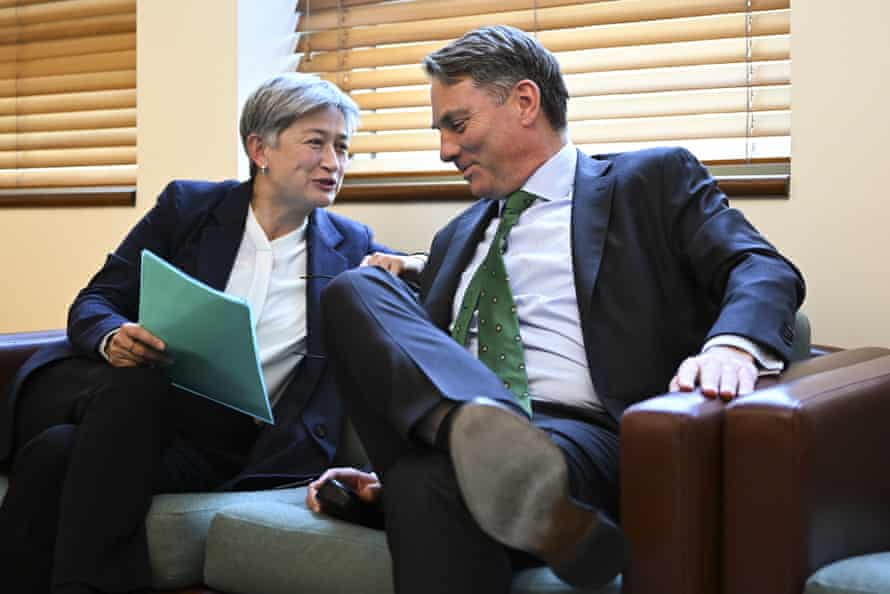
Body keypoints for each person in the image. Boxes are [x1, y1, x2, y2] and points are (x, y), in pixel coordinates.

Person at [306, 25, 805, 594]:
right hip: (465, 431)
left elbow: (763, 268)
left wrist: (734, 345)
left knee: (425, 486)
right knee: (352, 286)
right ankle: (476, 435)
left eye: (457, 123)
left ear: (524, 102)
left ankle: (482, 455)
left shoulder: (648, 181)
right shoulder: (455, 238)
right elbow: (415, 357)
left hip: (581, 436)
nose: (445, 149)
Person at [0, 73, 421, 594]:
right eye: (316, 142)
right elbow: (95, 301)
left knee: (55, 453)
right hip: (147, 415)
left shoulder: (350, 246)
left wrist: (414, 263)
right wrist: (114, 336)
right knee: (134, 386)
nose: (334, 162)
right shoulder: (189, 209)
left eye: (342, 147)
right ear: (259, 148)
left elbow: (423, 274)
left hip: (237, 447)